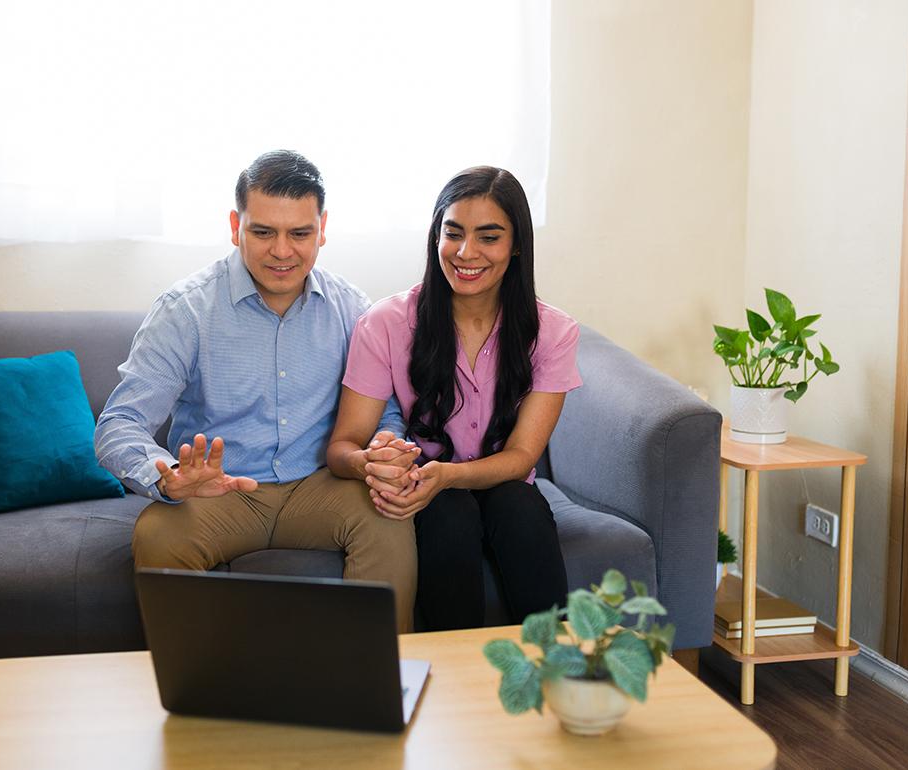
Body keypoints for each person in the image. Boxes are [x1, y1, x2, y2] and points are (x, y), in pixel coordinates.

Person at [95, 150, 418, 632]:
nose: (282, 251)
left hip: (319, 488)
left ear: (322, 229)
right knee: (158, 535)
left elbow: (386, 411)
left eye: (300, 233)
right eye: (263, 232)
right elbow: (119, 424)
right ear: (235, 225)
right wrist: (165, 476)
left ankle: (374, 689)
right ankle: (200, 693)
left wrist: (384, 449)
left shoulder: (352, 310)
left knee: (388, 516)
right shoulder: (185, 311)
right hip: (220, 492)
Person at [327, 166, 581, 631]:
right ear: (436, 236)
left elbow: (524, 455)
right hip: (429, 492)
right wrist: (371, 462)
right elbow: (343, 446)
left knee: (517, 506)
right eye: (453, 233)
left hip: (504, 486)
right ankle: (452, 682)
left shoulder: (554, 332)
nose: (466, 253)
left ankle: (557, 669)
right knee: (448, 511)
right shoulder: (385, 323)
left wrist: (449, 475)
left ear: (516, 244)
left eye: (489, 237)